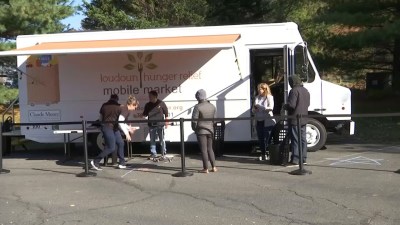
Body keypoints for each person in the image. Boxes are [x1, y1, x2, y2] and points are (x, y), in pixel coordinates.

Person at [90, 94, 126, 170]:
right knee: (112, 147)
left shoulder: (104, 105)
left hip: (106, 127)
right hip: (113, 128)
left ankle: (122, 163)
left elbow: (100, 118)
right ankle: (95, 161)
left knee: (119, 143)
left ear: (110, 98)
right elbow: (120, 120)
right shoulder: (119, 107)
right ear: (117, 99)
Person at [283, 74, 310, 165]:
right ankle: (303, 157)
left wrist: (285, 106)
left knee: (295, 139)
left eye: (290, 82)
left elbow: (291, 105)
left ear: (292, 82)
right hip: (304, 118)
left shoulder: (293, 91)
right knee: (303, 139)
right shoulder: (306, 90)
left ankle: (295, 159)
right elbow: (308, 104)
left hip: (294, 118)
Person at [191, 89, 217, 173]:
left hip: (201, 131)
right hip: (210, 130)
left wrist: (195, 129)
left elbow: (194, 121)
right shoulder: (212, 106)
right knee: (210, 149)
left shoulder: (197, 107)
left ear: (198, 97)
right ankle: (214, 167)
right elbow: (215, 120)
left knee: (204, 150)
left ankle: (205, 168)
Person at [252, 83, 276, 161]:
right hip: (258, 120)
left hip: (267, 120)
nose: (259, 90)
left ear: (265, 89)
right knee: (260, 138)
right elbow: (253, 109)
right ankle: (263, 154)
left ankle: (268, 153)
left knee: (267, 138)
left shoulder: (269, 97)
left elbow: (271, 108)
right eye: (258, 89)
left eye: (261, 89)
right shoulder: (257, 98)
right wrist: (254, 109)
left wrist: (262, 107)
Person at [142, 91, 169, 159]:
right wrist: (142, 116)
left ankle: (163, 153)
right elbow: (144, 114)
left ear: (155, 96)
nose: (149, 98)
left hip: (160, 124)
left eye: (150, 96)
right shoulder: (147, 105)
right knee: (152, 140)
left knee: (162, 139)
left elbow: (166, 114)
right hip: (151, 125)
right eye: (149, 96)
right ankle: (153, 153)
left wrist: (166, 123)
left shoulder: (161, 103)